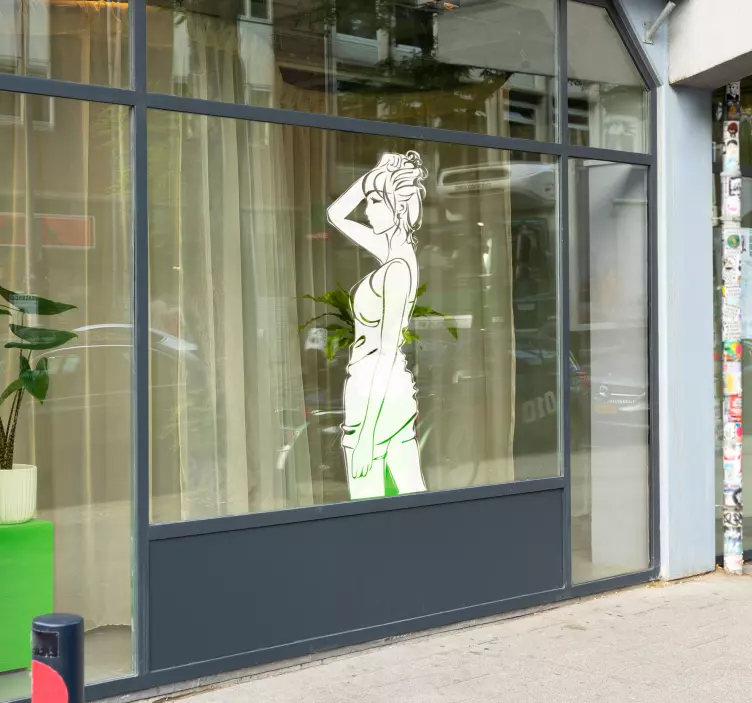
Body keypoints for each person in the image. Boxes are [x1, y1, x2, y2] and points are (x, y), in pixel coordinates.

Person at [327, 151, 428, 500]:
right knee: (409, 490)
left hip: (376, 390)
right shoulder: (392, 253)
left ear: (397, 208)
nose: (366, 210)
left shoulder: (397, 269)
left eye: (374, 201)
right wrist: (375, 176)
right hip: (382, 389)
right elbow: (335, 214)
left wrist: (367, 436)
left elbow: (386, 352)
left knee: (367, 494)